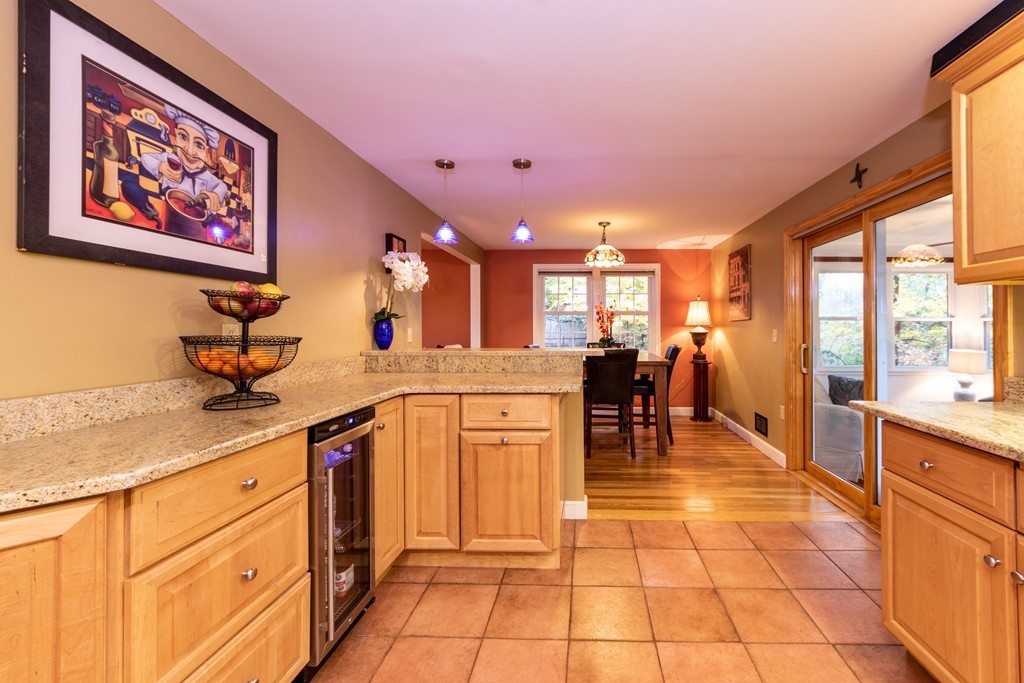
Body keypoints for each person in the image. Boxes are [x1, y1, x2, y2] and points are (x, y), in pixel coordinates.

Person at [141, 104, 228, 211]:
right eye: (183, 137)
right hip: (167, 207)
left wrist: (216, 195)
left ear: (205, 152)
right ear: (176, 137)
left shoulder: (206, 176)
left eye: (198, 144)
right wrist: (160, 167)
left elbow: (222, 186)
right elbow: (145, 157)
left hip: (193, 216)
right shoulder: (170, 159)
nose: (189, 151)